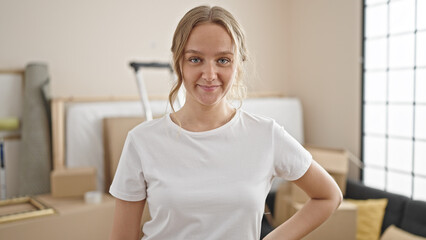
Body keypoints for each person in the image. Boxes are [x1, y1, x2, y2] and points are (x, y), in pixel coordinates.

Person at [109, 5, 342, 240]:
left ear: (238, 64)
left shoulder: (266, 135)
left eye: (222, 60)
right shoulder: (142, 141)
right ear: (179, 62)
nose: (210, 74)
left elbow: (328, 195)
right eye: (195, 59)